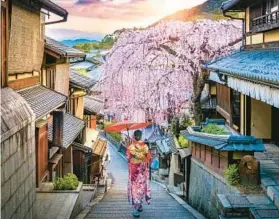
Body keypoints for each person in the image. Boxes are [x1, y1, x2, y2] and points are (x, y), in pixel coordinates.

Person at [126, 130, 151, 217]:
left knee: (135, 188)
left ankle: (135, 209)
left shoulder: (131, 147)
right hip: (142, 170)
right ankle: (140, 205)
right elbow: (148, 158)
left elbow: (128, 158)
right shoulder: (145, 146)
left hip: (134, 171)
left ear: (134, 136)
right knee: (142, 187)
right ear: (141, 136)